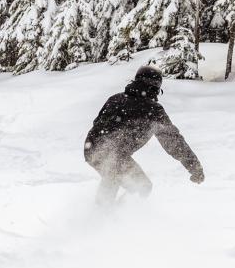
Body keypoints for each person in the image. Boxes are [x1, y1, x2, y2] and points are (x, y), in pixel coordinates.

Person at [83, 64, 205, 204]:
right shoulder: (153, 110)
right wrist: (194, 167)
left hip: (91, 149)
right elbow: (173, 141)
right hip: (113, 154)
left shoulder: (115, 99)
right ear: (155, 86)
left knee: (113, 177)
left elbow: (97, 123)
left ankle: (100, 213)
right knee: (142, 186)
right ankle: (113, 217)